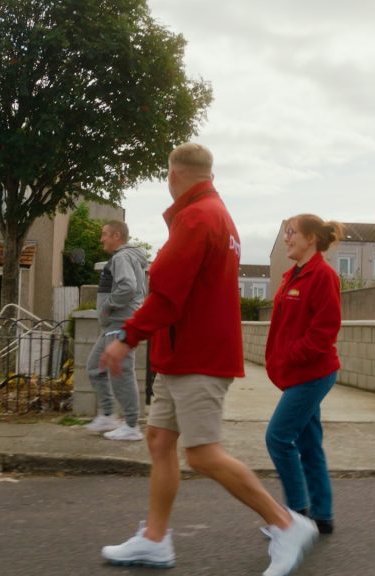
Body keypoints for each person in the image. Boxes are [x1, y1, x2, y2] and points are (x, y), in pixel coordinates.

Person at [99, 143, 318, 575]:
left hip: (197, 356)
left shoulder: (198, 217)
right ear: (209, 175)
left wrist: (127, 337)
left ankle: (286, 523)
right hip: (183, 355)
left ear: (173, 175)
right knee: (160, 440)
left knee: (202, 453)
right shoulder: (213, 214)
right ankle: (157, 540)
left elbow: (166, 295)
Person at [265, 214, 344, 536]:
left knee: (278, 438)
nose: (286, 238)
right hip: (298, 374)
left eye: (292, 232)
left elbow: (324, 331)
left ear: (311, 238)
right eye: (286, 232)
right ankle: (322, 516)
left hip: (313, 373)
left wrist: (290, 357)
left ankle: (295, 515)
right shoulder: (293, 275)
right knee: (309, 444)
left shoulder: (322, 275)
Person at [84, 220, 149, 441]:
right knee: (94, 367)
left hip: (119, 322)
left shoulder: (121, 257)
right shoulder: (126, 257)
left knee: (121, 373)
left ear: (116, 236)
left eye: (104, 234)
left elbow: (127, 287)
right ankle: (108, 415)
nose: (101, 239)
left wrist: (108, 305)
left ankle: (131, 425)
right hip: (113, 324)